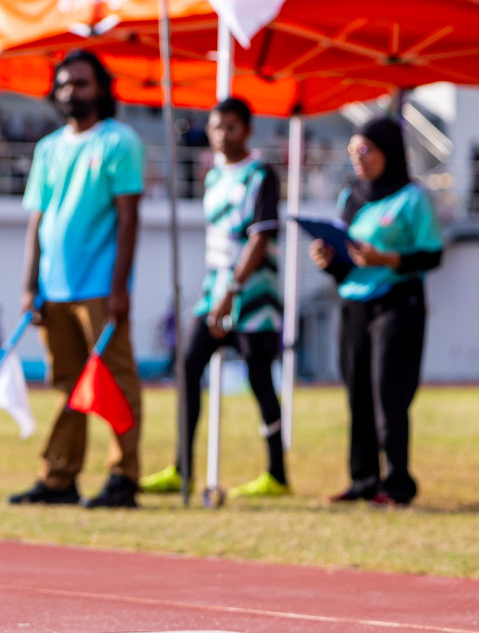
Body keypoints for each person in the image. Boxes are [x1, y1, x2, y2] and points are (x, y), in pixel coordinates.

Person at [10, 49, 145, 509]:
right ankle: (59, 479)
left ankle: (124, 476)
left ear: (103, 88)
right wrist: (30, 286)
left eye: (81, 84)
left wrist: (121, 288)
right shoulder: (48, 147)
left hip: (101, 288)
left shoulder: (119, 141)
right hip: (53, 288)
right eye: (64, 84)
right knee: (69, 385)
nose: (71, 92)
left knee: (115, 381)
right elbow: (38, 222)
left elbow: (129, 221)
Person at [141, 97, 289, 500]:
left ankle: (277, 473)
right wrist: (216, 291)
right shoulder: (212, 175)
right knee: (189, 369)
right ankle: (182, 467)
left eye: (230, 128)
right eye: (215, 127)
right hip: (215, 292)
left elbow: (260, 238)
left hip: (254, 295)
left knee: (260, 379)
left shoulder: (262, 175)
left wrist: (234, 290)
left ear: (247, 130)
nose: (221, 135)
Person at [311, 115, 442, 507]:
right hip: (355, 304)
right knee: (358, 393)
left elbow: (432, 254)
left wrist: (385, 258)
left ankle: (397, 480)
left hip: (397, 303)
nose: (358, 159)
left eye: (365, 150)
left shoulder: (412, 198)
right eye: (352, 151)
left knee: (389, 391)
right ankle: (363, 477)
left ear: (388, 152)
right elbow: (347, 261)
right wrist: (328, 260)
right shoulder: (350, 197)